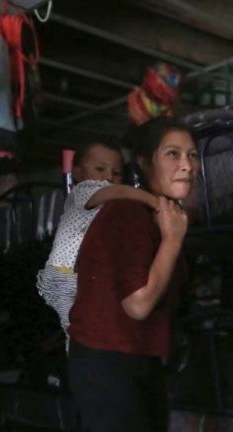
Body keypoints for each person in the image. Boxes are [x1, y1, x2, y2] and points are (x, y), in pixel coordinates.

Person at [66, 117, 199, 432]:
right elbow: (138, 304)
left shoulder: (163, 216)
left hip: (138, 358)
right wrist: (173, 240)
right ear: (143, 162)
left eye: (193, 155)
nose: (187, 165)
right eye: (172, 154)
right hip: (108, 362)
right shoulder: (126, 212)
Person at [36, 142, 157, 337]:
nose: (109, 177)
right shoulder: (82, 193)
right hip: (63, 276)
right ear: (77, 174)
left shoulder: (112, 209)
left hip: (76, 276)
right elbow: (119, 191)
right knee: (80, 327)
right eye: (100, 169)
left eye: (116, 173)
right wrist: (156, 202)